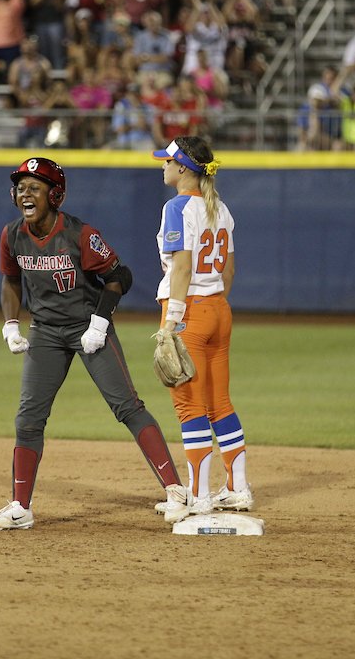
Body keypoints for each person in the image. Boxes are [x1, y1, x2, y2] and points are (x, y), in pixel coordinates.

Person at [0, 158, 190, 530]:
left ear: (55, 195)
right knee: (28, 418)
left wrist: (99, 322)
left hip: (88, 328)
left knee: (127, 407)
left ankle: (176, 491)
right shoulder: (12, 234)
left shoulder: (79, 234)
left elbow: (119, 276)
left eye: (35, 188)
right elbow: (11, 279)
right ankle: (20, 506)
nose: (25, 194)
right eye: (21, 188)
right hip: (45, 332)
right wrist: (11, 324)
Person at [150, 137, 252, 517]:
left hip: (188, 311)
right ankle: (238, 488)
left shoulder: (176, 207)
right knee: (219, 403)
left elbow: (182, 267)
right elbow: (230, 270)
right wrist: (213, 301)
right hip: (218, 309)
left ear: (182, 168)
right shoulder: (220, 208)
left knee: (189, 407)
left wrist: (171, 322)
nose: (163, 166)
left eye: (167, 161)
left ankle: (199, 496)